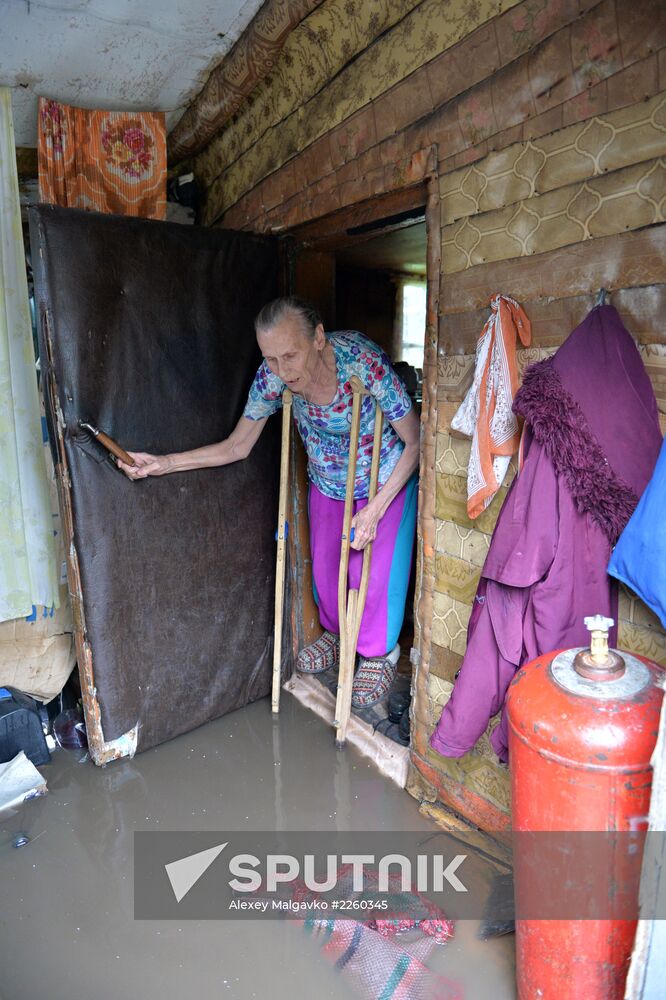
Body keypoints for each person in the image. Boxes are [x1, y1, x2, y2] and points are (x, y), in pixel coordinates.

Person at [118, 297, 420, 707]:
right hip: (328, 481)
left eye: (290, 355)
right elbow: (237, 446)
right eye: (271, 359)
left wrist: (376, 507)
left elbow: (416, 441)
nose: (282, 370)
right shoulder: (271, 378)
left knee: (377, 574)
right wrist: (164, 464)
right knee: (329, 571)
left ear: (317, 337)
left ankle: (379, 654)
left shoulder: (362, 361)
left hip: (385, 475)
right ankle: (337, 633)